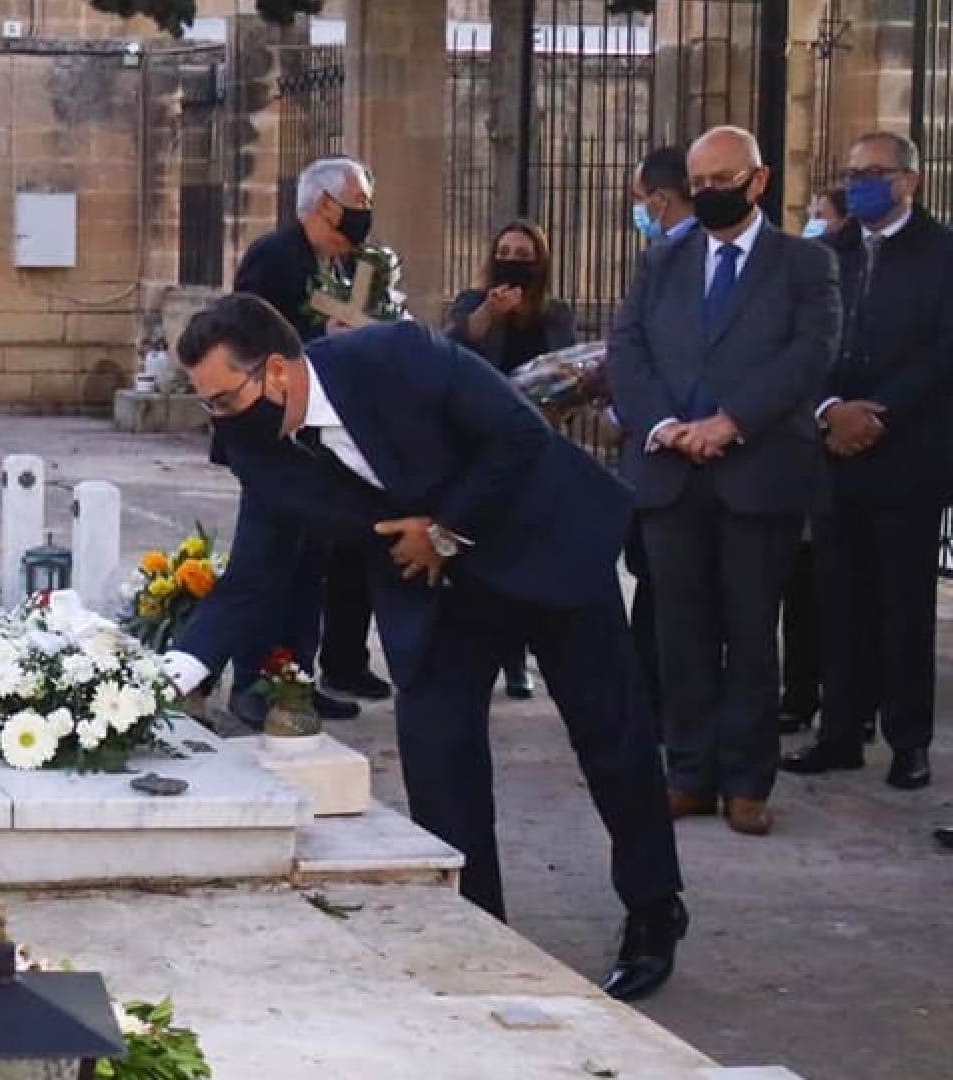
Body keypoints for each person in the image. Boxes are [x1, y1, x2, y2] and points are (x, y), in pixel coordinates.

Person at [169, 293, 686, 1002]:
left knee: (613, 741)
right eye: (208, 405)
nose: (219, 421)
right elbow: (254, 575)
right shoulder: (257, 447)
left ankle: (655, 911)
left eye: (225, 399)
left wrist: (446, 529)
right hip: (437, 594)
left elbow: (519, 437)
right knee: (439, 755)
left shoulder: (396, 356)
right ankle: (477, 927)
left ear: (279, 373)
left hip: (541, 546)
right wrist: (171, 674)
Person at [607, 126, 842, 837]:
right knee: (679, 631)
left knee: (748, 632)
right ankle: (688, 772)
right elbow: (628, 346)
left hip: (758, 472)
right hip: (671, 471)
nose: (708, 193)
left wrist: (731, 422)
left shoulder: (804, 264)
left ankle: (746, 781)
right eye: (700, 183)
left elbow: (810, 353)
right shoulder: (662, 262)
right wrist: (666, 427)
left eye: (722, 180)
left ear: (758, 181)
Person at [782, 133, 953, 792]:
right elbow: (805, 342)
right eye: (851, 174)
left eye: (873, 173)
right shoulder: (829, 253)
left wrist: (875, 413)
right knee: (837, 596)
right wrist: (829, 409)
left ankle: (908, 740)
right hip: (833, 453)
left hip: (906, 453)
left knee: (903, 604)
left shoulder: (942, 254)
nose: (858, 185)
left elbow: (944, 351)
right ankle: (839, 731)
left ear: (909, 181)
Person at [224, 157, 393, 717]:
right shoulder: (276, 256)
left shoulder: (347, 265)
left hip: (317, 436)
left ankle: (296, 677)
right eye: (358, 205)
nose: (364, 217)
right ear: (325, 203)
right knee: (266, 560)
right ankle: (253, 679)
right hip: (272, 437)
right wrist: (325, 335)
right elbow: (244, 337)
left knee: (308, 567)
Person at [447, 220, 578, 700]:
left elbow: (569, 372)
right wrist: (490, 313)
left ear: (538, 262)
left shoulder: (555, 313)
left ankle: (522, 657)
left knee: (527, 554)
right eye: (504, 251)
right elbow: (454, 349)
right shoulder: (471, 301)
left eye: (523, 254)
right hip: (480, 445)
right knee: (482, 554)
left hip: (536, 444)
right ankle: (488, 656)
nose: (512, 260)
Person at [621, 146, 696, 714]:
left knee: (680, 605)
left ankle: (668, 709)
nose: (638, 211)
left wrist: (648, 417)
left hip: (693, 456)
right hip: (661, 453)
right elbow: (630, 346)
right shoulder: (659, 256)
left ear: (661, 198)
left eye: (639, 200)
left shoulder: (681, 257)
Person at [778, 186, 851, 733]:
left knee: (849, 596)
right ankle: (801, 695)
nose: (810, 223)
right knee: (799, 592)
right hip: (805, 451)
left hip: (866, 455)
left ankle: (851, 706)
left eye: (820, 215)